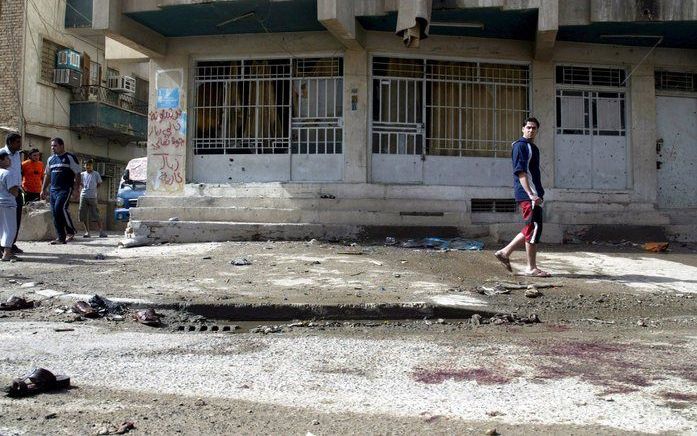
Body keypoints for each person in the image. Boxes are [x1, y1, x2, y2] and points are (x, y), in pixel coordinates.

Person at [494, 117, 551, 277]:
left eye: (534, 128)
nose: (531, 130)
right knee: (533, 230)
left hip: (533, 195)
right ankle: (531, 268)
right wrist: (531, 194)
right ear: (522, 128)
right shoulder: (520, 146)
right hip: (528, 195)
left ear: (537, 130)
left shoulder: (532, 147)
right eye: (528, 127)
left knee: (530, 228)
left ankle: (505, 252)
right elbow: (521, 172)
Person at [40, 137, 81, 244]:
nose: (53, 148)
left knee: (60, 208)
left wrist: (76, 189)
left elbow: (77, 173)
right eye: (52, 146)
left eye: (55, 146)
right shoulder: (50, 159)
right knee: (55, 213)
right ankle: (60, 238)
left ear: (62, 146)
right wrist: (43, 189)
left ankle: (71, 231)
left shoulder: (70, 157)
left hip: (65, 189)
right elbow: (47, 175)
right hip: (53, 190)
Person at [1, 133, 24, 255]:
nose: (20, 144)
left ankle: (11, 244)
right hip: (5, 192)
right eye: (17, 142)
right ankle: (4, 247)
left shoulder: (17, 155)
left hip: (17, 190)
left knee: (16, 219)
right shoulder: (2, 154)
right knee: (4, 222)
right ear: (10, 143)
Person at [78, 159, 107, 238]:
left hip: (93, 197)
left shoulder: (96, 174)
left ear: (92, 166)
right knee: (82, 214)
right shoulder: (82, 174)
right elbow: (79, 183)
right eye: (86, 165)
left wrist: (93, 190)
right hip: (83, 196)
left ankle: (101, 231)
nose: (88, 166)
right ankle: (87, 232)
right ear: (84, 166)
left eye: (89, 165)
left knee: (95, 214)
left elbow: (99, 183)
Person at [0, 150, 20, 261]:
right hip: (7, 204)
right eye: (7, 158)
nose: (9, 160)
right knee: (9, 229)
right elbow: (14, 191)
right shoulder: (7, 173)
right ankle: (7, 253)